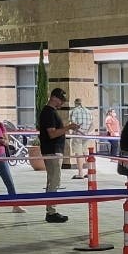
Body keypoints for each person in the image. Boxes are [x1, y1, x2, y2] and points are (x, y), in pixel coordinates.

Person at [37, 86, 79, 223]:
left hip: (52, 150)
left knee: (52, 181)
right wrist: (68, 127)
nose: (61, 103)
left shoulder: (49, 112)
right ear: (54, 98)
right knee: (54, 181)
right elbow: (52, 133)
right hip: (53, 151)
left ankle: (50, 209)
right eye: (60, 100)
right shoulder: (49, 113)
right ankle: (51, 211)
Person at [68, 98, 93, 179]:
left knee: (79, 154)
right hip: (86, 135)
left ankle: (80, 173)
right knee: (85, 153)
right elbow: (92, 124)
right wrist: (87, 133)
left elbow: (73, 123)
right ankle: (89, 171)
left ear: (75, 103)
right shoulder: (88, 111)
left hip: (77, 134)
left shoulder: (74, 111)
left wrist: (78, 131)